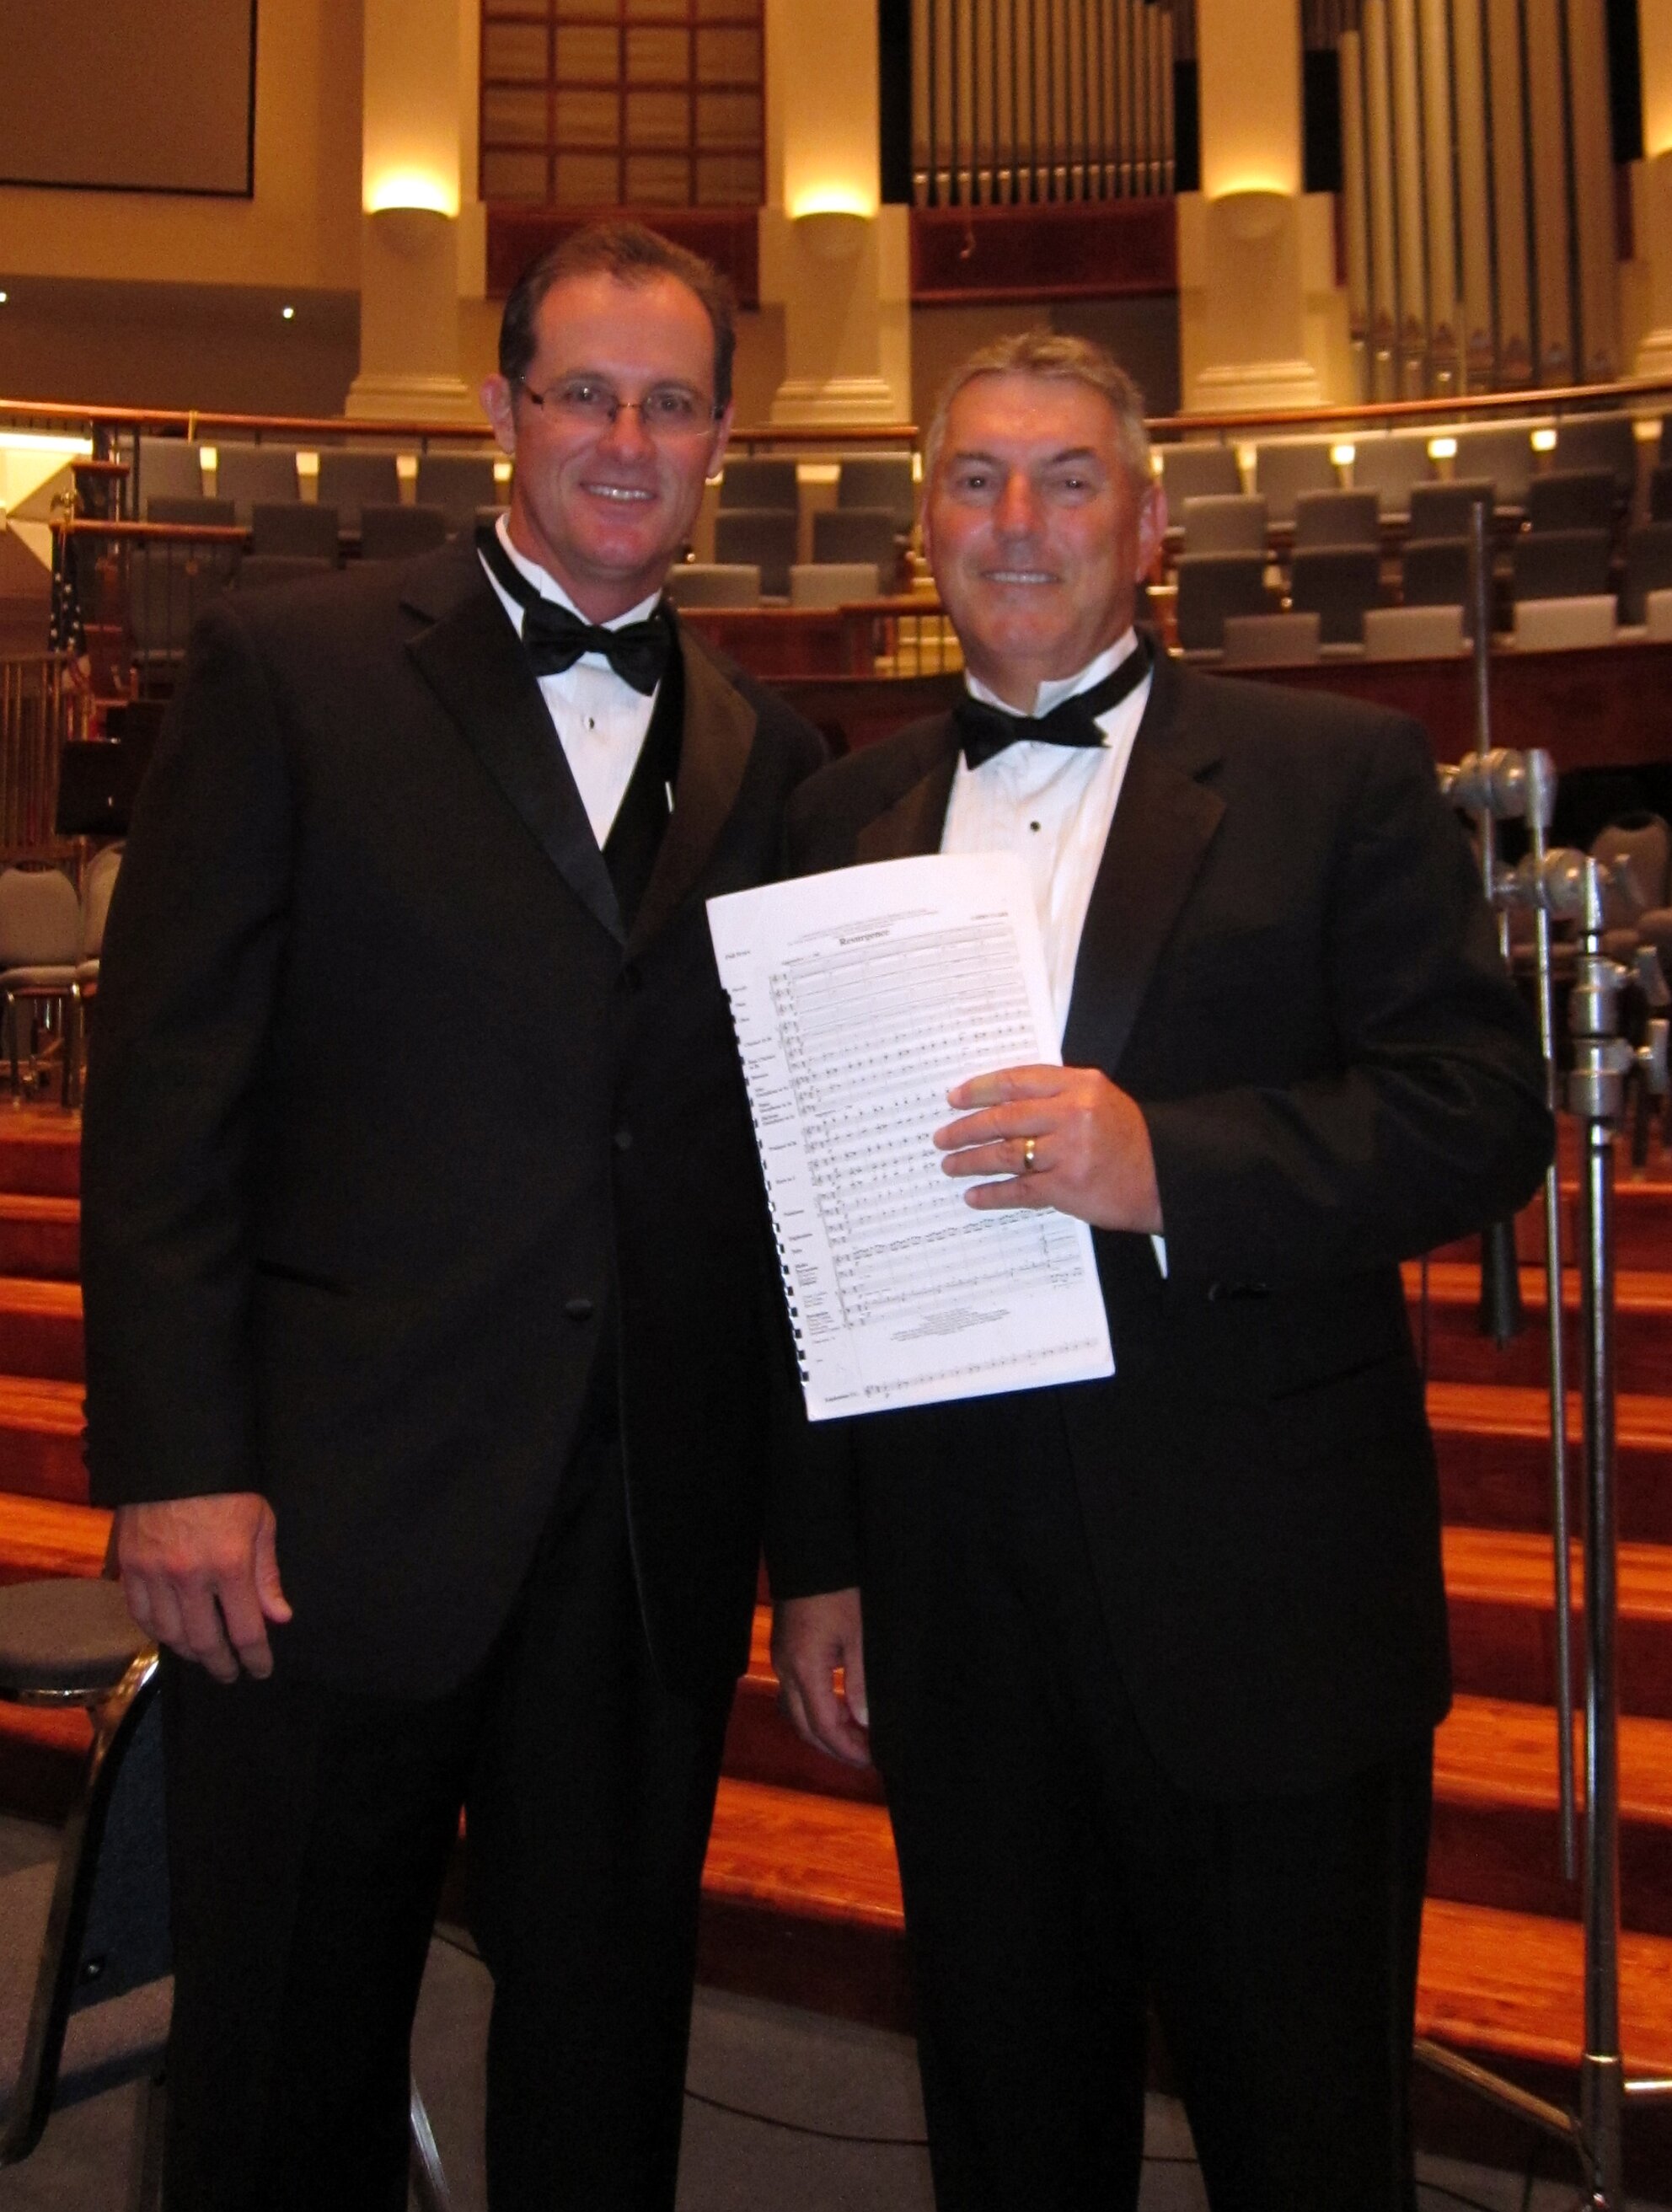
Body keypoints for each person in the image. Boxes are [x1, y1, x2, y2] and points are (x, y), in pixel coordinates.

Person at [768, 330, 1553, 2212]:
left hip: (1260, 1598)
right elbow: (797, 1214)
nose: (1016, 520)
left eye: (1067, 478)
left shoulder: (1333, 771)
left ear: (1149, 524)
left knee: (1305, 2145)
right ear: (923, 525)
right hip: (954, 1599)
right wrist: (820, 1554)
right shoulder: (835, 813)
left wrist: (1165, 1168)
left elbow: (1476, 1111)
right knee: (1011, 2135)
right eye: (973, 479)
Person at [81, 221, 823, 2210]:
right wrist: (175, 1460)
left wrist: (808, 1537)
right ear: (500, 406)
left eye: (669, 403)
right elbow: (167, 1090)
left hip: (643, 1538)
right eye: (583, 392)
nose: (623, 439)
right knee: (281, 2060)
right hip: (328, 1511)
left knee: (605, 2060)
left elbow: (769, 1170)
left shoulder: (771, 752)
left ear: (722, 441)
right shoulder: (296, 664)